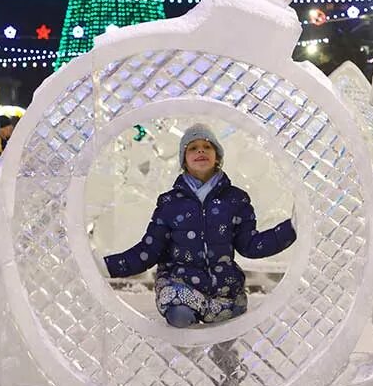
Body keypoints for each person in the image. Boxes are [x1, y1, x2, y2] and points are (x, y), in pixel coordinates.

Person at [103, 123, 297, 328]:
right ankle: (184, 352)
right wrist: (107, 266)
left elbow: (250, 245)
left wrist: (291, 228)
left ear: (217, 157)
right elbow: (149, 250)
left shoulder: (236, 199)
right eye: (193, 148)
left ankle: (225, 357)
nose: (201, 150)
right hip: (180, 285)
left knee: (227, 331)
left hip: (224, 289)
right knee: (180, 315)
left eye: (207, 146)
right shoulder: (170, 203)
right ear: (184, 159)